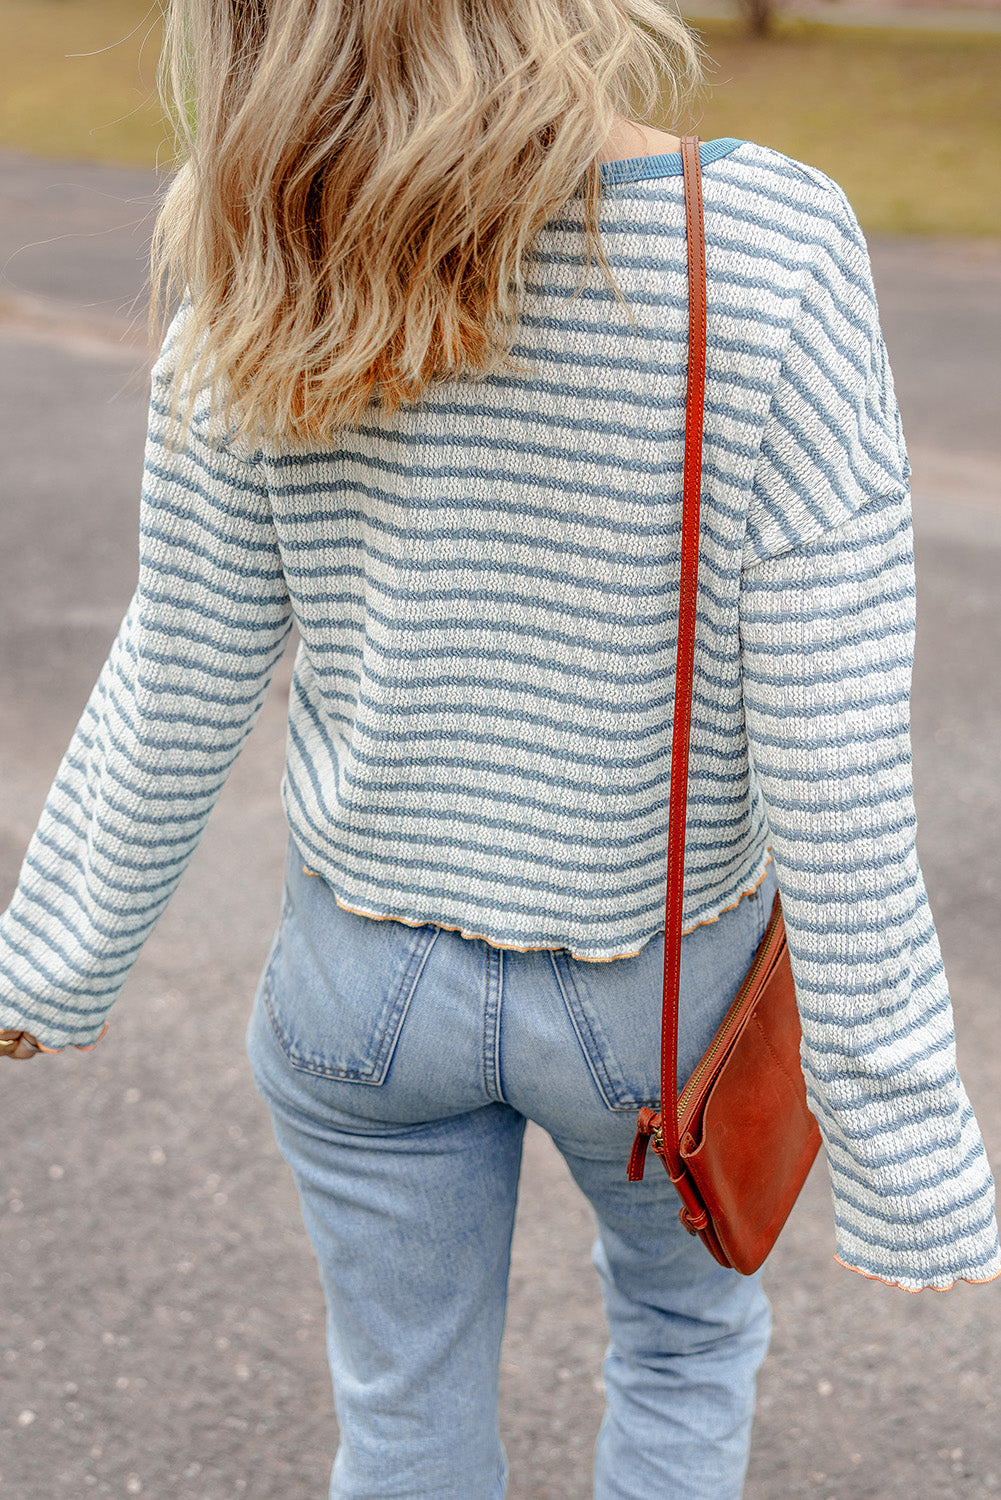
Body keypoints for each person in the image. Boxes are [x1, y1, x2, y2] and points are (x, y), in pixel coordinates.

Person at [2, 0, 999, 1495]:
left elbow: (183, 654)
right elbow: (834, 752)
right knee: (682, 1346)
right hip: (661, 998)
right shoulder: (765, 247)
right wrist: (902, 1139)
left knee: (402, 1414)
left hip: (359, 986)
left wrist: (48, 961)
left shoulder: (260, 248)